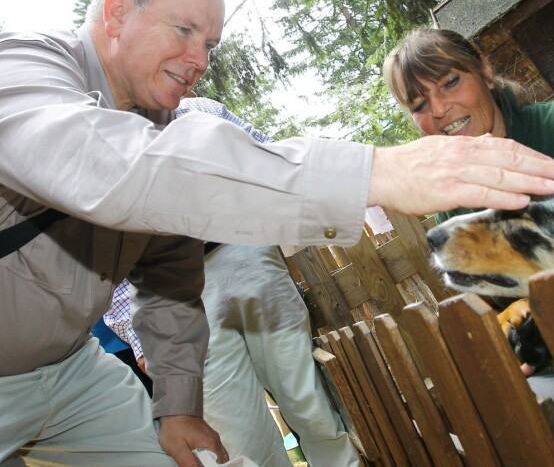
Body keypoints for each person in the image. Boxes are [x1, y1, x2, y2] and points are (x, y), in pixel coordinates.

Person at [0, 0, 554, 467]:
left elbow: (169, 277)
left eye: (210, 44)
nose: (198, 60)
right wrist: (374, 169)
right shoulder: (23, 70)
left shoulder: (160, 121)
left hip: (74, 372)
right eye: (183, 30)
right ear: (118, 12)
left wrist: (175, 403)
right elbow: (111, 166)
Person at [101, 95, 361, 466]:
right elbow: (103, 248)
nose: (197, 59)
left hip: (245, 253)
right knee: (233, 438)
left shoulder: (202, 110)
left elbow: (272, 160)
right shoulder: (98, 133)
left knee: (307, 399)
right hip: (166, 295)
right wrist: (139, 336)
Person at [383, 26, 554, 448]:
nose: (439, 108)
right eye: (419, 104)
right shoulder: (453, 204)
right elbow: (492, 310)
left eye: (450, 82)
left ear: (485, 71)